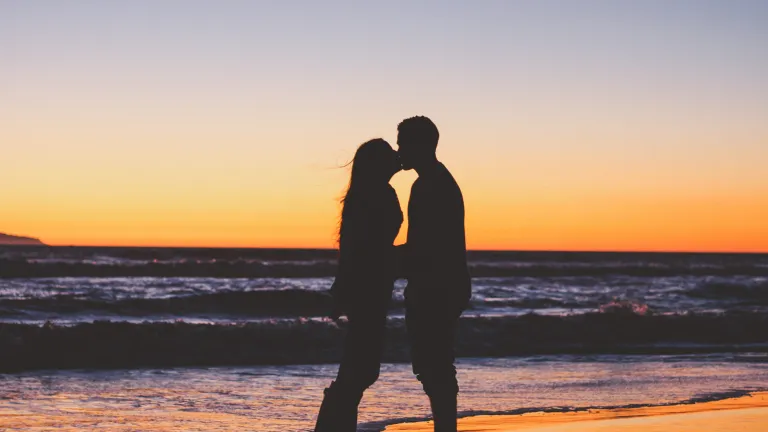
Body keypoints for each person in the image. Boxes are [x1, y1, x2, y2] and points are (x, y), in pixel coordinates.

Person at [314, 138, 403, 432]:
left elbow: (360, 246)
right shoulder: (373, 195)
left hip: (373, 286)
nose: (396, 156)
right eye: (390, 153)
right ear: (378, 163)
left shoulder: (376, 192)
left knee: (361, 366)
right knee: (361, 367)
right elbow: (359, 248)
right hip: (367, 287)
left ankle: (336, 425)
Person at [396, 116, 471, 432]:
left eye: (403, 143)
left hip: (436, 286)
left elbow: (424, 245)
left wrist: (379, 259)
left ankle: (446, 427)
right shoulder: (433, 181)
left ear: (421, 145)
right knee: (434, 366)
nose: (399, 150)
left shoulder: (430, 184)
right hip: (444, 284)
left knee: (434, 366)